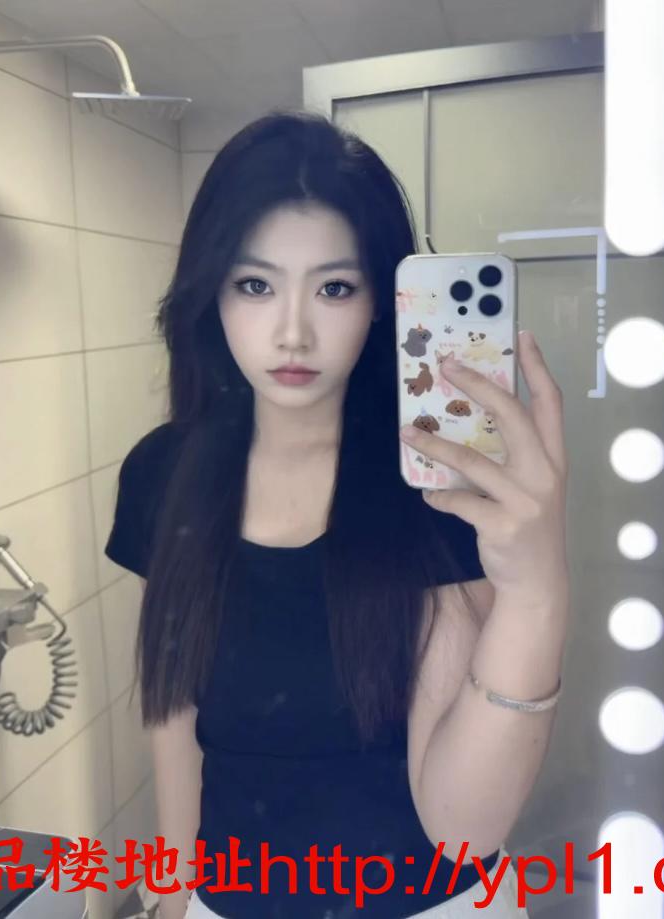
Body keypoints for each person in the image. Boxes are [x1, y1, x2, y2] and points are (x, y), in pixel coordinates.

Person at [104, 109, 570, 919]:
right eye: (255, 285)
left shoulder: (435, 484)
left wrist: (538, 590)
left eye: (334, 287)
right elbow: (174, 718)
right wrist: (168, 893)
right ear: (212, 293)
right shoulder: (163, 472)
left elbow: (463, 828)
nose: (292, 332)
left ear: (382, 301)